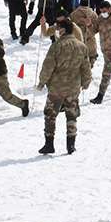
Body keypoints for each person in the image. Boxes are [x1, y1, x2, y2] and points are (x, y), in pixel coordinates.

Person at [38, 16, 91, 154]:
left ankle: (49, 144)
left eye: (57, 28)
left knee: (50, 114)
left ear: (62, 30)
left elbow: (48, 66)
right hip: (73, 87)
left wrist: (42, 82)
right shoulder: (82, 46)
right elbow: (86, 67)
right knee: (71, 115)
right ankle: (71, 145)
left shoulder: (56, 46)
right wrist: (86, 82)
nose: (56, 30)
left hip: (56, 87)